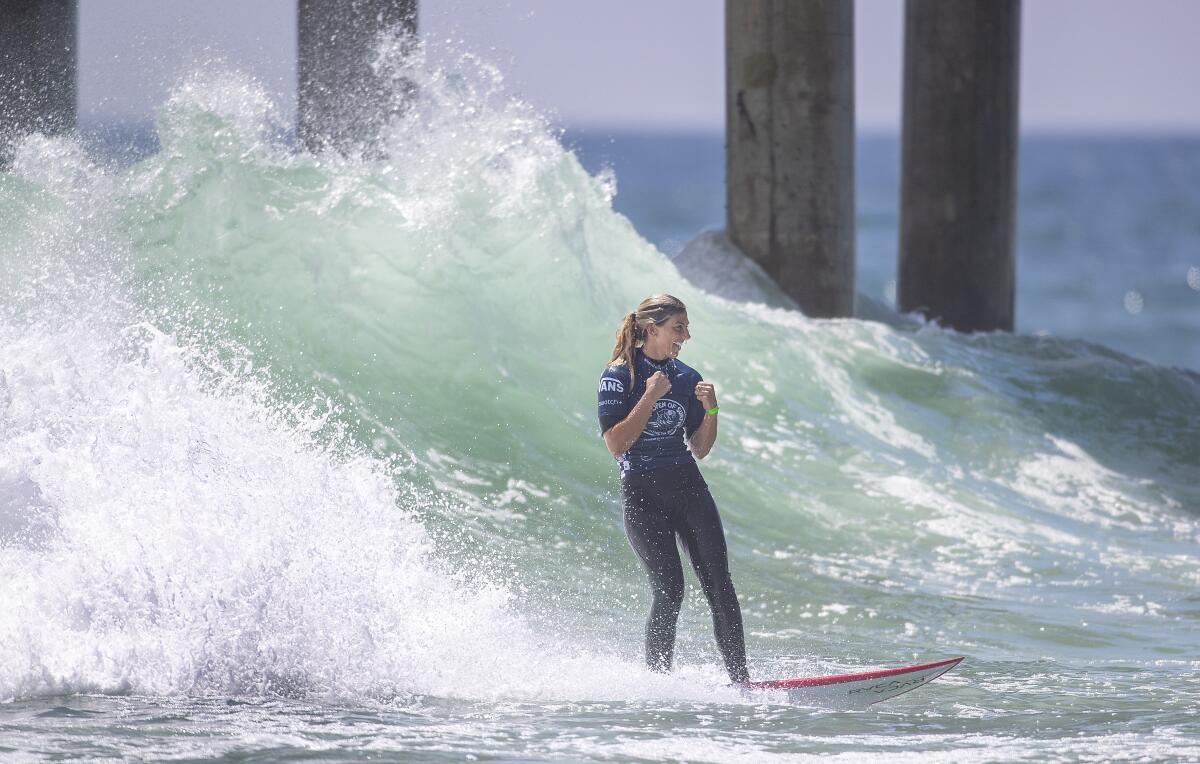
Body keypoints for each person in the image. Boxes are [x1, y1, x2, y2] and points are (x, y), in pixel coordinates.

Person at [597, 293, 750, 683]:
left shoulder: (688, 377)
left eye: (686, 328)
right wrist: (649, 396)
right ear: (652, 330)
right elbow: (616, 444)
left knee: (720, 586)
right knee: (670, 591)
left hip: (687, 487)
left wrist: (712, 410)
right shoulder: (618, 377)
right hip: (643, 494)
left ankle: (742, 682)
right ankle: (659, 683)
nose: (685, 336)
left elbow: (699, 448)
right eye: (678, 328)